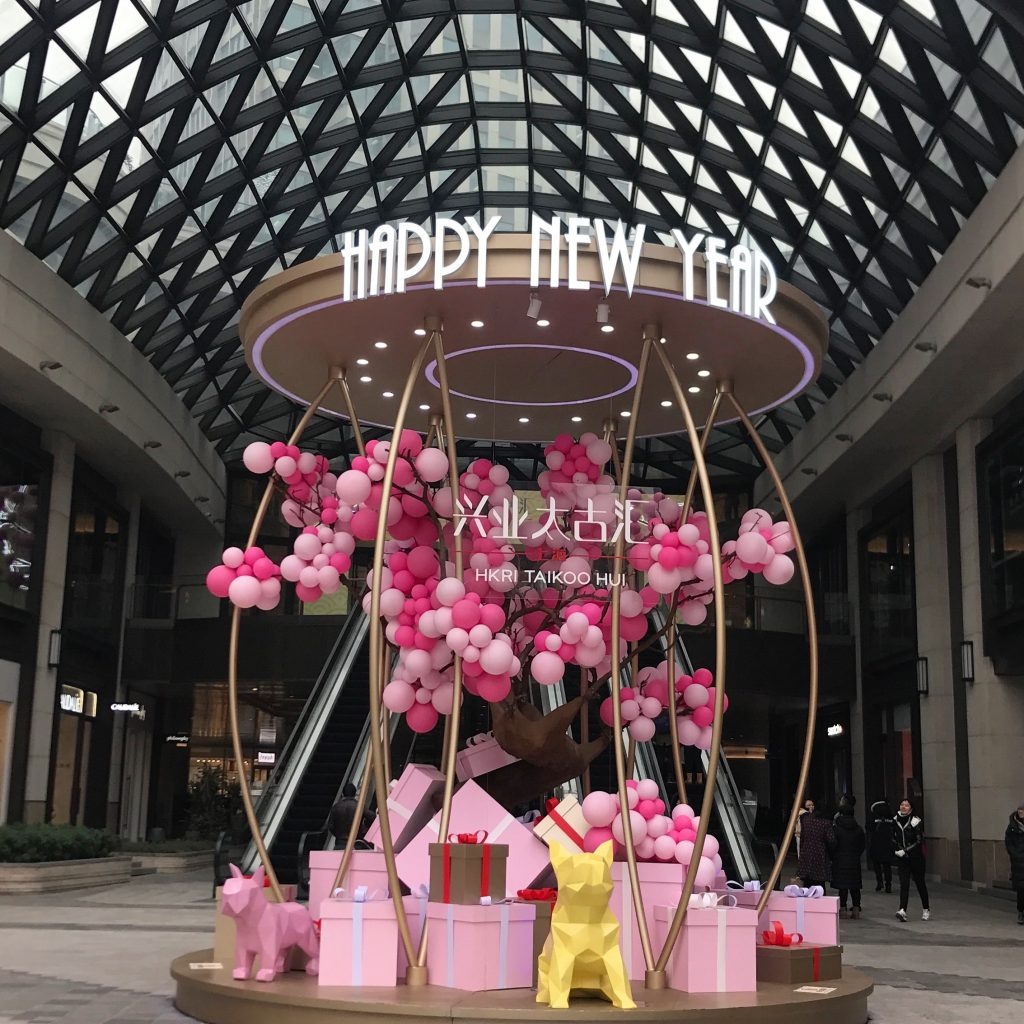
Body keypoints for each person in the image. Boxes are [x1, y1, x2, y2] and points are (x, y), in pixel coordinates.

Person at [893, 798, 930, 921]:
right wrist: (897, 849)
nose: (903, 807)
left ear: (911, 808)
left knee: (920, 883)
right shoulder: (895, 820)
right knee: (904, 884)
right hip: (902, 858)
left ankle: (926, 908)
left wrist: (906, 850)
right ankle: (902, 909)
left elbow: (918, 841)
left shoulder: (915, 821)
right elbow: (893, 837)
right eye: (902, 804)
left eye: (906, 805)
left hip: (916, 858)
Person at [829, 804, 866, 918]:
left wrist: (833, 856)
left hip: (840, 860)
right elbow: (862, 845)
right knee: (855, 886)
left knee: (842, 886)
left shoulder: (836, 829)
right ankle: (856, 909)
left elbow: (832, 844)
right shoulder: (858, 829)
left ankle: (843, 909)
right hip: (854, 860)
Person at [797, 806, 834, 890]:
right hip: (820, 855)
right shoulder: (826, 823)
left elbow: (802, 838)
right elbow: (831, 840)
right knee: (820, 885)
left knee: (807, 884)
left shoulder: (806, 822)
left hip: (806, 855)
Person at [867, 799, 896, 893]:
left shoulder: (874, 820)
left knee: (877, 865)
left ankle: (879, 882)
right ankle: (888, 884)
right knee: (887, 866)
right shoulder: (892, 820)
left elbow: (868, 828)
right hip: (888, 846)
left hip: (876, 845)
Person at [1005, 800, 1024, 925]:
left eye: (1022, 811)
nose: (1021, 813)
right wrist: (1016, 855)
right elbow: (1008, 843)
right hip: (1018, 863)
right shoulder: (1012, 827)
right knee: (1021, 889)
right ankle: (1020, 912)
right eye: (1020, 811)